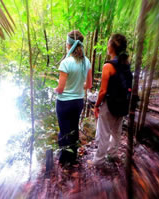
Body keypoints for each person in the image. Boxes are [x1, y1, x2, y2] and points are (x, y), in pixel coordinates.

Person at [92, 33, 131, 166]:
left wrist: (96, 105)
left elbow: (103, 91)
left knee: (104, 134)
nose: (107, 46)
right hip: (122, 105)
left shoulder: (108, 66)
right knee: (116, 132)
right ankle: (113, 155)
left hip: (110, 105)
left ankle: (98, 161)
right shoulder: (126, 63)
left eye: (108, 43)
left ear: (112, 47)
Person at [54, 30, 92, 166]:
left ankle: (65, 160)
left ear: (69, 45)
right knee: (74, 128)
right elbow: (89, 85)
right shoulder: (86, 62)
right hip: (78, 102)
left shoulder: (66, 63)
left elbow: (61, 88)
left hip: (64, 103)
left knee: (64, 131)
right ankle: (73, 156)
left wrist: (55, 89)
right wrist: (78, 85)